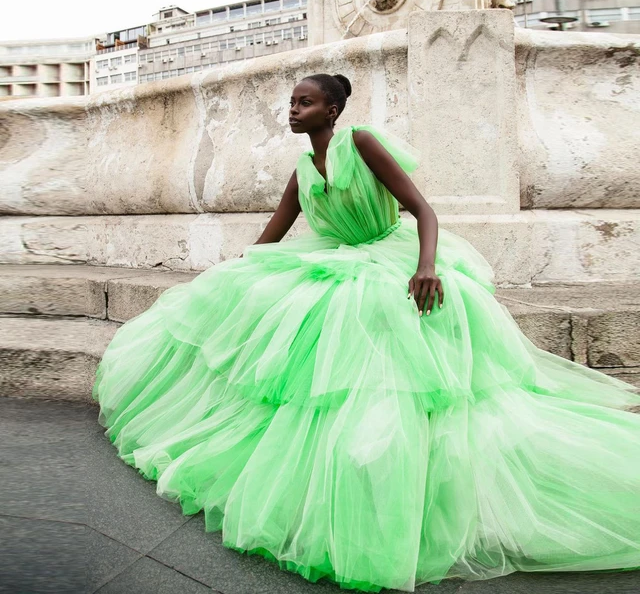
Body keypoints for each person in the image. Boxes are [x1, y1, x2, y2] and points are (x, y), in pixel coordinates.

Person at [93, 73, 640, 592]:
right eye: (290, 102)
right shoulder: (304, 168)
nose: (293, 110)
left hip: (390, 258)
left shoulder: (361, 142)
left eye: (303, 103)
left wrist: (425, 267)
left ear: (331, 110)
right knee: (256, 304)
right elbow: (273, 235)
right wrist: (237, 272)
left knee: (383, 345)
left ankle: (395, 471)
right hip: (336, 260)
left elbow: (422, 210)